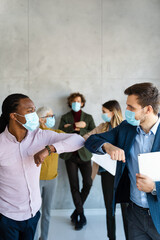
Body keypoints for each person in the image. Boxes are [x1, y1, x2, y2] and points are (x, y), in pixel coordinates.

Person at [0, 93, 84, 240]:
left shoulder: (40, 136)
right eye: (30, 111)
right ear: (13, 116)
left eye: (34, 110)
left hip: (33, 214)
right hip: (7, 217)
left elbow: (78, 140)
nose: (34, 115)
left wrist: (49, 149)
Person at [85, 82, 160, 240]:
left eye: (131, 108)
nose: (126, 111)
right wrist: (108, 146)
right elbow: (91, 140)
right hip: (134, 214)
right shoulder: (126, 128)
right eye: (127, 106)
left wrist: (154, 187)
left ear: (148, 109)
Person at [83, 100, 128, 240]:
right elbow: (86, 138)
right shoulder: (102, 127)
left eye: (104, 112)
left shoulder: (126, 127)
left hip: (123, 174)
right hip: (106, 173)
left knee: (127, 211)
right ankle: (111, 237)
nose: (102, 114)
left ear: (112, 112)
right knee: (110, 208)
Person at [59, 92, 95, 230]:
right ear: (70, 103)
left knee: (88, 183)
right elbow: (60, 133)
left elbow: (94, 134)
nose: (76, 103)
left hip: (85, 155)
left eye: (78, 101)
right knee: (74, 186)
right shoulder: (65, 117)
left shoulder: (89, 117)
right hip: (70, 156)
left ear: (82, 103)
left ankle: (76, 212)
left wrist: (81, 128)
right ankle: (81, 215)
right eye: (74, 101)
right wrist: (74, 127)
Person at [34, 106, 63, 240]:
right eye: (50, 116)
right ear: (41, 119)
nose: (53, 118)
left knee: (46, 212)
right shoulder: (33, 135)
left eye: (53, 115)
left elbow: (73, 139)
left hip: (52, 179)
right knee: (34, 212)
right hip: (36, 180)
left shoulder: (56, 133)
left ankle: (43, 237)